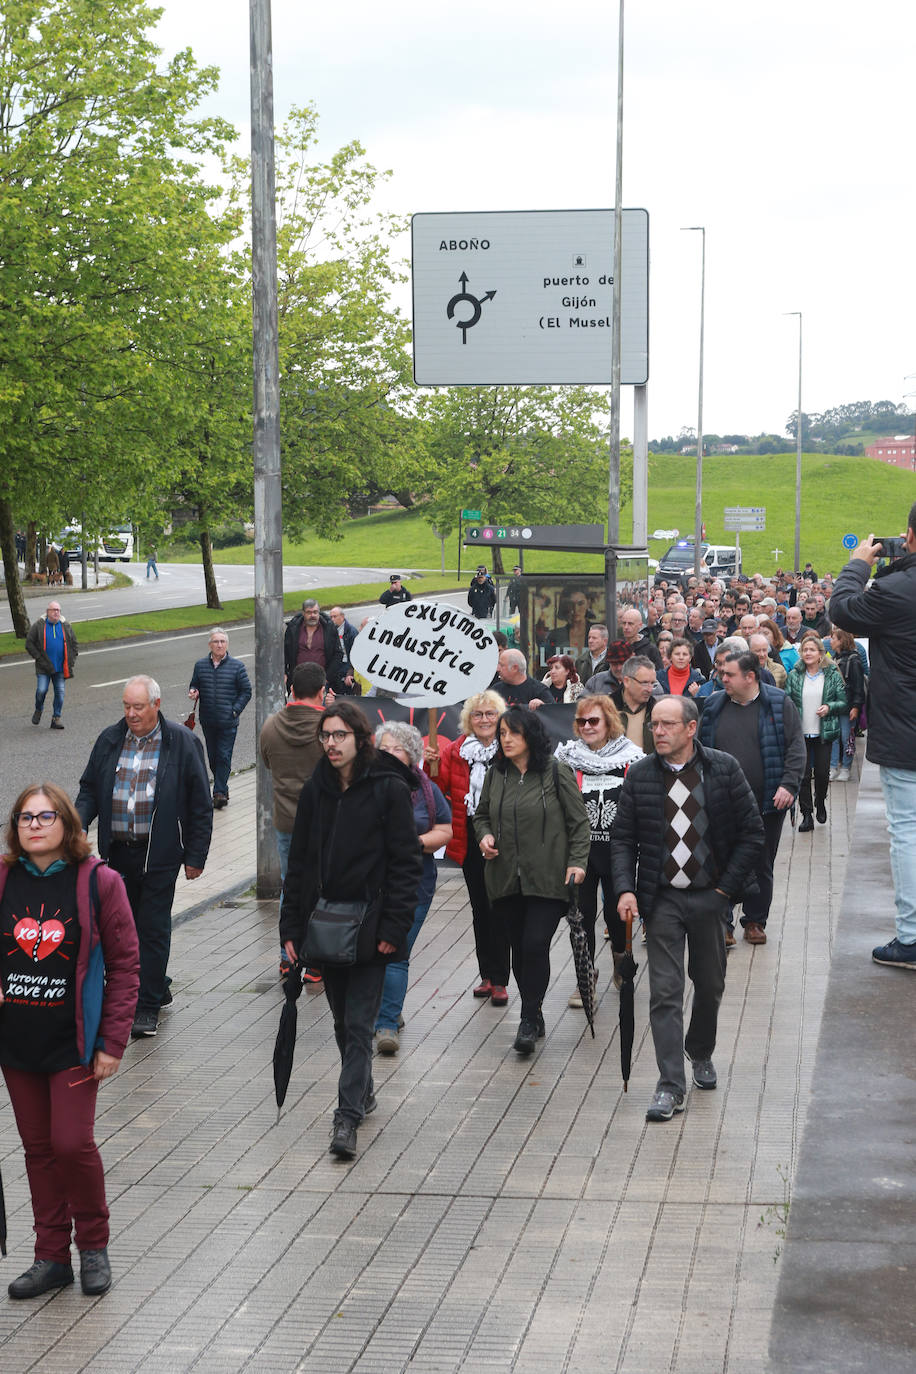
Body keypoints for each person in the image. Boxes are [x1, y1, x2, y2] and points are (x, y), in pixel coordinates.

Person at [0, 783, 139, 1300]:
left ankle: (94, 1248)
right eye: (24, 818)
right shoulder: (3, 878)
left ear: (67, 823)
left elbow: (126, 966)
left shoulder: (98, 882)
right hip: (17, 1043)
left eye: (45, 816)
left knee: (70, 1143)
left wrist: (113, 1042)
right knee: (37, 1149)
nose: (33, 825)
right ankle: (51, 1257)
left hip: (74, 1042)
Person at [279, 700, 423, 1160]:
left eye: (339, 735)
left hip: (373, 925)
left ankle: (345, 1119)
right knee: (343, 1022)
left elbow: (406, 862)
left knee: (360, 1025)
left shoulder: (387, 787)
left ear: (359, 738)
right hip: (325, 925)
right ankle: (364, 1090)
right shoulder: (315, 790)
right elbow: (298, 864)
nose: (331, 743)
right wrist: (291, 928)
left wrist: (395, 926)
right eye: (325, 735)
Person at [612, 696, 764, 1122]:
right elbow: (623, 839)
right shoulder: (640, 775)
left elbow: (753, 834)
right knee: (664, 991)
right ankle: (670, 1085)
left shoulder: (723, 770)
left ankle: (700, 1051)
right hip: (661, 900)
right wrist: (625, 889)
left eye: (667, 725)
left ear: (691, 728)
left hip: (709, 898)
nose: (657, 731)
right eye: (654, 724)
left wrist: (723, 893)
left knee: (710, 984)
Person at [75, 676, 212, 1039]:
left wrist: (196, 854)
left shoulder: (181, 742)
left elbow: (201, 801)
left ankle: (145, 1006)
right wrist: (76, 825)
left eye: (138, 707)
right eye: (126, 706)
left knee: (151, 929)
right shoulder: (110, 740)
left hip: (161, 853)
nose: (131, 714)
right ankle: (157, 983)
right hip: (117, 852)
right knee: (122, 928)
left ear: (156, 704)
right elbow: (89, 789)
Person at [473, 707, 590, 1056]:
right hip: (505, 877)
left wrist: (577, 863)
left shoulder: (556, 772)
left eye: (514, 733)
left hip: (548, 878)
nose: (506, 739)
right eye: (502, 733)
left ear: (531, 736)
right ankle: (534, 1009)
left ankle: (527, 1018)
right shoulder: (497, 774)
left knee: (535, 943)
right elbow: (481, 816)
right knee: (518, 950)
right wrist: (485, 836)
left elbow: (579, 824)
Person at [829, 521, 916, 967]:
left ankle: (912, 936)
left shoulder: (897, 589)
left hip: (906, 732)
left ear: (911, 536)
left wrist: (859, 564)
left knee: (906, 830)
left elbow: (842, 609)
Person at [699, 652, 805, 945]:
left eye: (729, 674)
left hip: (768, 799)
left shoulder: (778, 703)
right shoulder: (714, 705)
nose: (723, 679)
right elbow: (700, 749)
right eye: (722, 673)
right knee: (721, 859)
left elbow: (796, 747)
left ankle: (755, 921)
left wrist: (789, 785)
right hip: (721, 800)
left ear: (750, 676)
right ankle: (724, 923)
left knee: (761, 861)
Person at [424, 690, 511, 1006]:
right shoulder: (456, 751)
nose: (485, 720)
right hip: (471, 838)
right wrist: (430, 767)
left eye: (490, 714)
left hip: (505, 840)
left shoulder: (510, 749)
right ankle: (487, 975)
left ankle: (502, 979)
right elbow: (436, 792)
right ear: (468, 719)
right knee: (479, 910)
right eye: (478, 714)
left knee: (500, 909)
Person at [555, 696, 644, 1003]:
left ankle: (620, 954)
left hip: (619, 850)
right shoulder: (566, 758)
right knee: (580, 915)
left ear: (609, 723)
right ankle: (585, 977)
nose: (587, 727)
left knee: (615, 913)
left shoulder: (631, 758)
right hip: (580, 851)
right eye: (581, 722)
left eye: (594, 721)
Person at [373, 723, 452, 1054]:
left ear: (412, 755)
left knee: (396, 951)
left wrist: (414, 842)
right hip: (371, 885)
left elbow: (444, 830)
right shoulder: (363, 785)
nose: (390, 754)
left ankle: (386, 1024)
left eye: (397, 749)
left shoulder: (425, 789)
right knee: (372, 952)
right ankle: (387, 1008)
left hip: (414, 884)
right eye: (385, 748)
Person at [259, 663, 327, 980]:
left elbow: (268, 763)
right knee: (324, 888)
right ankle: (316, 960)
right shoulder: (330, 728)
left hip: (287, 821)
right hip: (326, 824)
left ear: (291, 689)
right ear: (321, 691)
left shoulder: (271, 727)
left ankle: (288, 957)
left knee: (292, 887)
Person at [784, 633, 847, 832]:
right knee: (802, 776)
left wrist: (829, 706)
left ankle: (820, 801)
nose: (808, 653)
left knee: (821, 774)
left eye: (812, 650)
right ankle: (807, 814)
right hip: (800, 733)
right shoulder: (795, 674)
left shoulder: (831, 674)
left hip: (823, 733)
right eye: (805, 650)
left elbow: (843, 701)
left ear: (820, 653)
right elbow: (787, 700)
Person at [188, 628, 252, 809]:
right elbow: (195, 683)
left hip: (228, 721)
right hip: (208, 720)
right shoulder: (200, 665)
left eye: (223, 641)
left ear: (227, 644)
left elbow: (246, 691)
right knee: (213, 757)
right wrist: (193, 691)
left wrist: (234, 711)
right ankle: (222, 785)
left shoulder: (237, 667)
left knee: (224, 755)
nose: (219, 645)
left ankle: (219, 793)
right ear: (210, 644)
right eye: (216, 642)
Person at [26, 601, 78, 731]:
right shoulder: (39, 625)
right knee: (41, 691)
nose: (56, 612)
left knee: (60, 693)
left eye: (58, 610)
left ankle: (56, 718)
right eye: (54, 610)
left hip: (60, 668)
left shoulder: (65, 625)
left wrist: (72, 660)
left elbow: (74, 643)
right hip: (43, 667)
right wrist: (38, 657)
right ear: (47, 611)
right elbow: (29, 643)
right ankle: (39, 709)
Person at [283, 598, 345, 694]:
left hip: (322, 683)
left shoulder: (329, 628)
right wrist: (285, 673)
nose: (313, 615)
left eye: (315, 612)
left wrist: (327, 678)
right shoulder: (293, 629)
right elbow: (284, 653)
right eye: (309, 612)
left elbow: (338, 654)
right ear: (303, 613)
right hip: (298, 681)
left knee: (321, 708)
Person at [828, 628, 865, 782]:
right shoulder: (834, 659)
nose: (830, 641)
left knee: (847, 738)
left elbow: (858, 686)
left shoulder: (853, 660)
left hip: (848, 707)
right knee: (834, 737)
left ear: (841, 640)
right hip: (835, 705)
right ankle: (833, 766)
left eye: (833, 638)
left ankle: (846, 768)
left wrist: (856, 707)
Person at [328, 606, 359, 693]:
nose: (332, 619)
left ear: (342, 617)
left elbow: (356, 654)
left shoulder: (351, 632)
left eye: (335, 616)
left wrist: (350, 672)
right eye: (331, 617)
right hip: (334, 665)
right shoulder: (329, 630)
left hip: (346, 665)